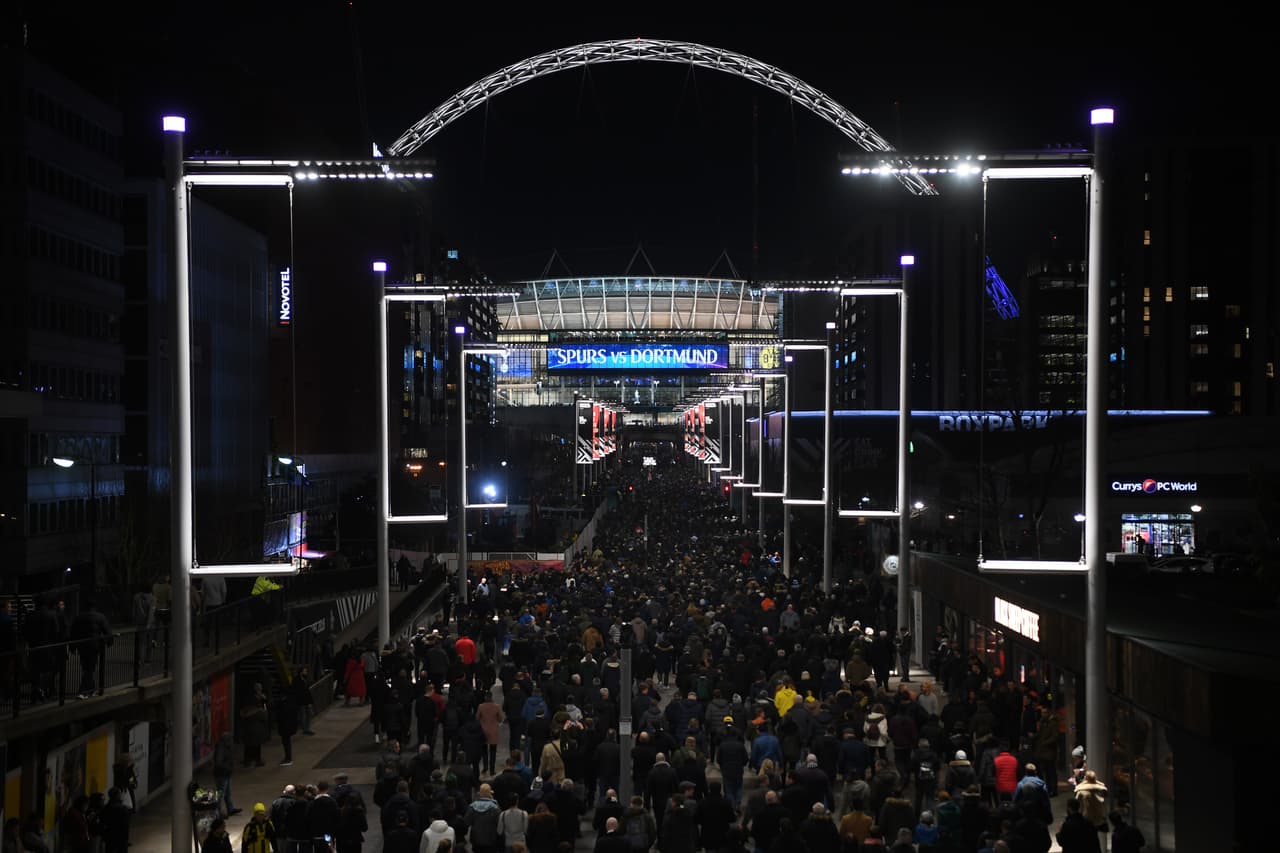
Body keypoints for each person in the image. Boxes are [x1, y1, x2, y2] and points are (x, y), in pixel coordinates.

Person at [69, 598, 112, 698]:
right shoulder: (100, 617)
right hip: (95, 645)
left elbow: (73, 633)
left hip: (82, 645)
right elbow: (108, 632)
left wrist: (72, 647)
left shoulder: (78, 617)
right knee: (90, 668)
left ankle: (90, 689)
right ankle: (83, 691)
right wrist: (108, 642)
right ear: (95, 607)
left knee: (86, 667)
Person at [240, 683, 270, 766]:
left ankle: (247, 761)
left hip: (248, 728)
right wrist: (263, 704)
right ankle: (257, 760)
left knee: (248, 746)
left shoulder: (247, 703)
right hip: (256, 729)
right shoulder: (258, 709)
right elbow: (265, 716)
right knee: (256, 746)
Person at [99, 788, 131, 853]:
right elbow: (125, 825)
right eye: (119, 794)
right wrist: (126, 838)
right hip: (121, 837)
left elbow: (103, 822)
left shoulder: (106, 808)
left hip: (110, 837)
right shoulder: (122, 809)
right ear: (117, 795)